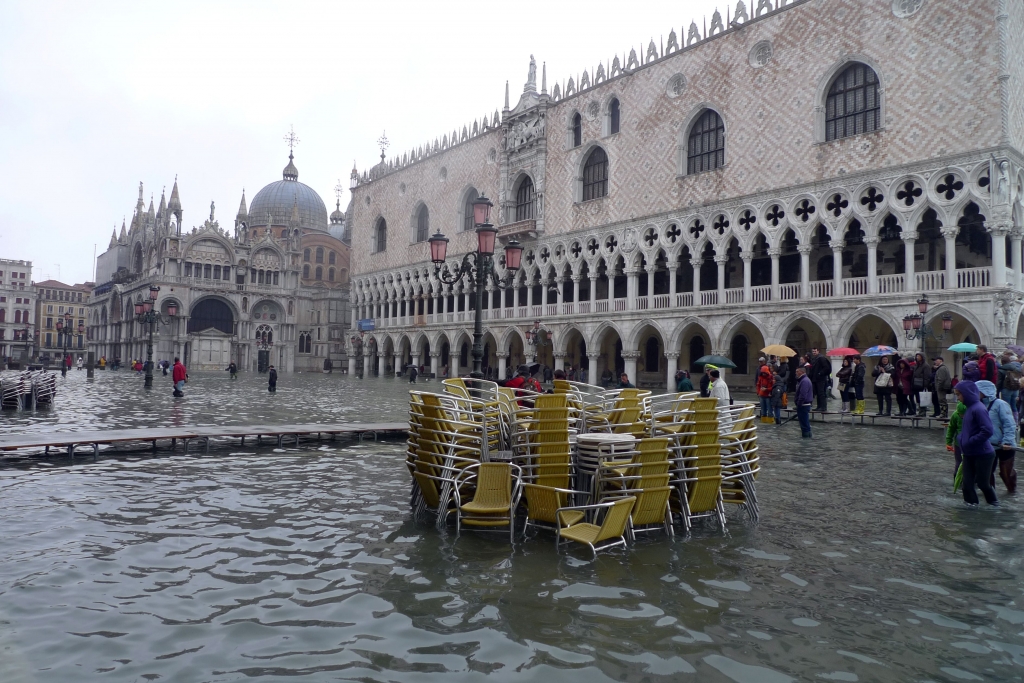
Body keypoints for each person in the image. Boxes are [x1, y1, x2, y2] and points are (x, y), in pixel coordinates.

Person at [955, 381, 998, 507]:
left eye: (959, 395)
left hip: (983, 453)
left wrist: (970, 442)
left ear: (967, 394)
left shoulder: (978, 408)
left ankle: (994, 505)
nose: (957, 398)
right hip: (969, 453)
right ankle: (971, 512)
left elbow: (988, 430)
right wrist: (962, 439)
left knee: (983, 484)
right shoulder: (970, 408)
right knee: (967, 485)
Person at [977, 380, 1017, 495]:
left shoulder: (1000, 404)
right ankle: (991, 497)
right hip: (988, 445)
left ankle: (1011, 494)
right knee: (987, 473)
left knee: (1006, 473)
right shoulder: (978, 405)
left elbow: (1009, 423)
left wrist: (1008, 441)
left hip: (1005, 445)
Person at [945, 394, 967, 479]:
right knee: (959, 462)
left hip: (970, 443)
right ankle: (956, 479)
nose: (961, 416)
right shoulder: (955, 415)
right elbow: (951, 429)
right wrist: (948, 442)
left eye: (963, 415)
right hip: (958, 443)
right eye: (960, 415)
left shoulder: (973, 414)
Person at [998, 352, 1022, 421]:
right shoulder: (1016, 368)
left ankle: (1008, 420)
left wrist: (997, 391)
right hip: (1015, 388)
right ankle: (1016, 421)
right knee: (1014, 405)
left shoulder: (1001, 369)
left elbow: (999, 382)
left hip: (1006, 388)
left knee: (1006, 405)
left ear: (1002, 362)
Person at [794, 366, 814, 438]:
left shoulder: (804, 381)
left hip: (804, 405)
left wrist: (799, 404)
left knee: (804, 424)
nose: (796, 373)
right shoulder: (803, 380)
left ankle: (806, 437)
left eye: (797, 371)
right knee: (805, 423)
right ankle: (807, 436)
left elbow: (803, 394)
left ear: (802, 372)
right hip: (804, 404)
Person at [912, 352, 932, 417]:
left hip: (921, 384)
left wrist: (925, 385)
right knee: (918, 399)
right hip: (916, 384)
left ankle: (922, 412)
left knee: (922, 399)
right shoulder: (917, 365)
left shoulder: (925, 366)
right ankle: (920, 411)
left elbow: (927, 376)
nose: (917, 357)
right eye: (917, 356)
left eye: (919, 356)